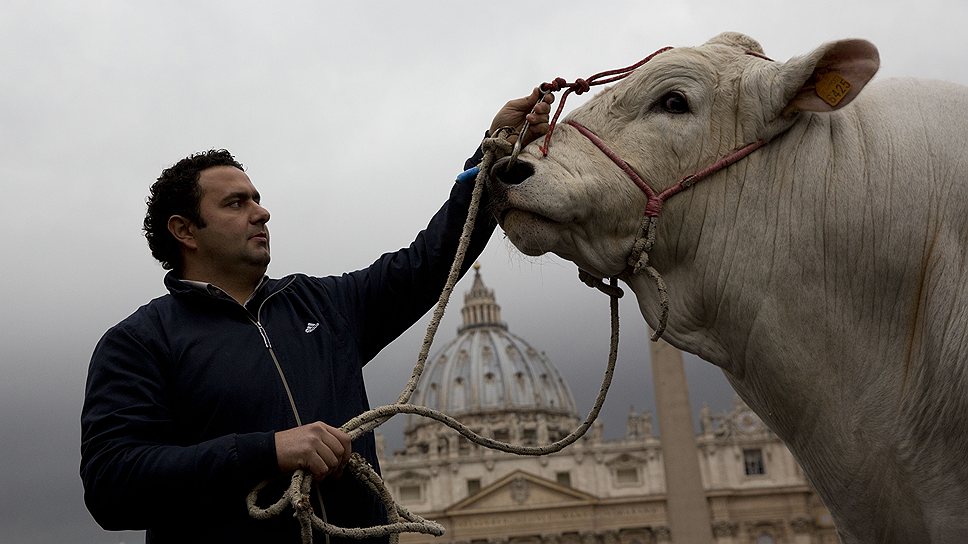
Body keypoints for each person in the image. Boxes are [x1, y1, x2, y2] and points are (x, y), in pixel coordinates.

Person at [80, 89, 553, 543]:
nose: (261, 213)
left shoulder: (326, 307)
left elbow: (430, 261)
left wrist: (492, 156)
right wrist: (269, 451)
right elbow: (112, 485)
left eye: (257, 198)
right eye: (236, 203)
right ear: (185, 231)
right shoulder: (138, 342)